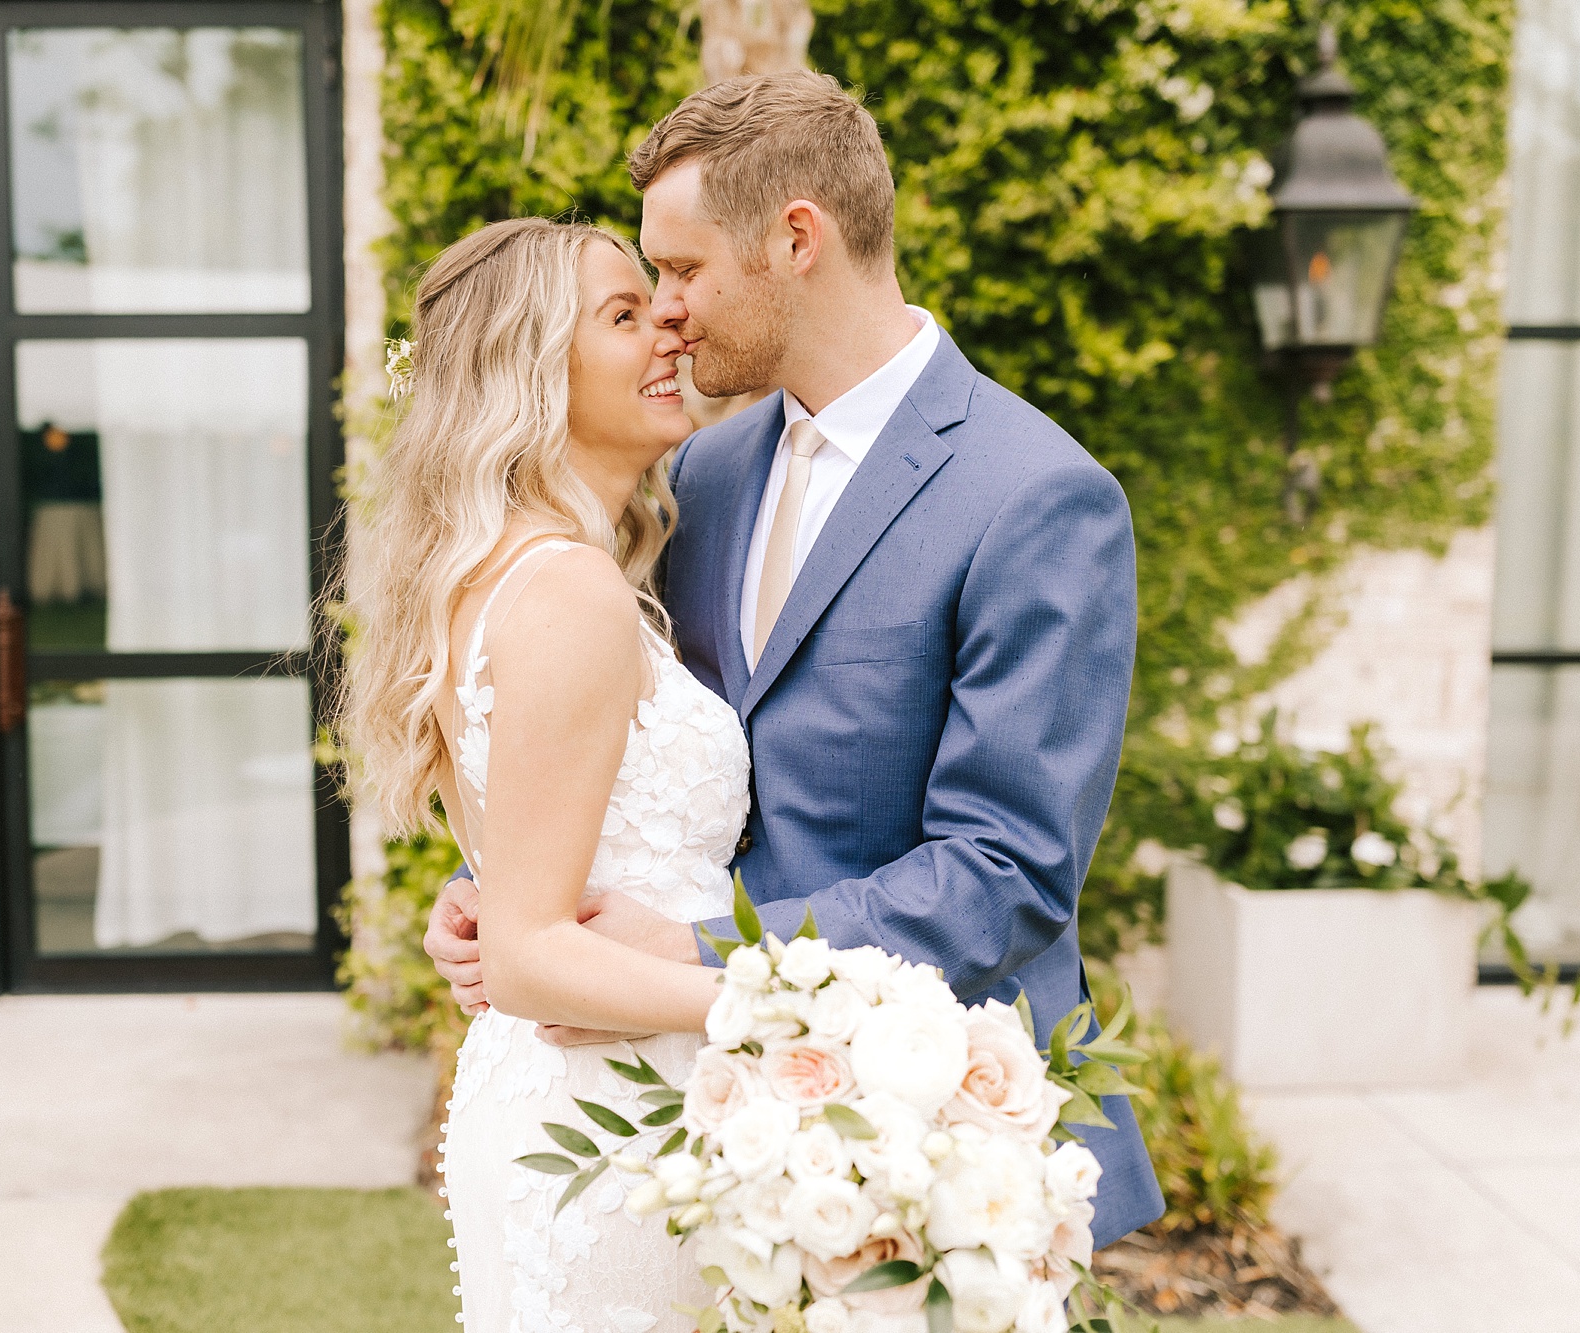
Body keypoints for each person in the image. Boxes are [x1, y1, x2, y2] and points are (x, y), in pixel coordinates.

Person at [417, 67, 1166, 1313]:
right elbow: (634, 742)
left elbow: (1007, 869)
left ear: (794, 239)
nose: (664, 313)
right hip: (699, 1130)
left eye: (683, 270)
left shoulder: (1035, 495)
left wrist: (713, 959)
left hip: (924, 1140)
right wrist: (513, 892)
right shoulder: (701, 475)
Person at [344, 215, 746, 1331]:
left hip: (601, 1104)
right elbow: (526, 956)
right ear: (530, 373)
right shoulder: (566, 588)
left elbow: (518, 891)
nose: (666, 325)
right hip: (602, 1125)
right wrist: (775, 1011)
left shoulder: (534, 570)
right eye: (623, 315)